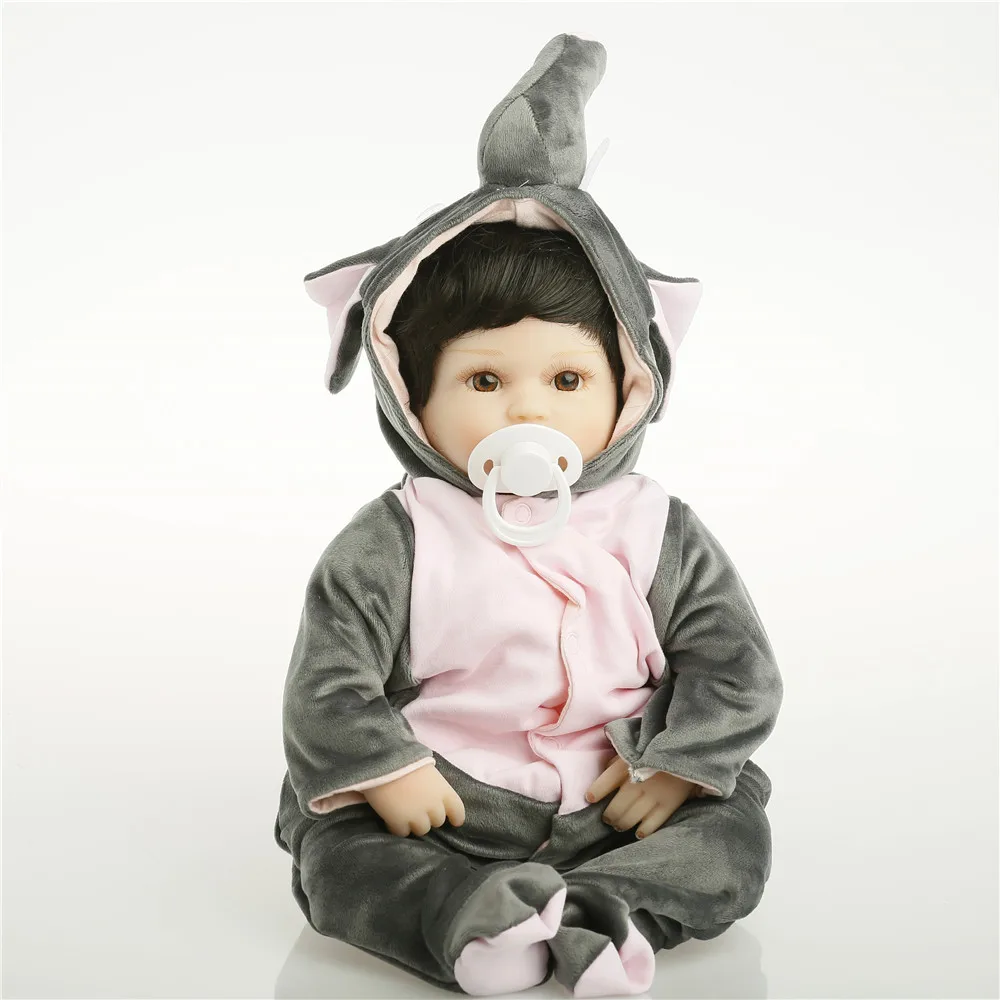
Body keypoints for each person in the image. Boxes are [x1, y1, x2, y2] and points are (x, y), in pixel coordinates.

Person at [274, 33, 782, 999]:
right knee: (337, 854)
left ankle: (609, 912)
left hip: (619, 796)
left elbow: (734, 662)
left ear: (629, 388)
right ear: (412, 397)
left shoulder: (656, 528)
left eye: (566, 379)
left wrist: (680, 763)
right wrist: (382, 769)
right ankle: (466, 916)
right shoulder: (397, 536)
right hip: (445, 797)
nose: (527, 412)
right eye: (483, 380)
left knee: (731, 843)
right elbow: (327, 678)